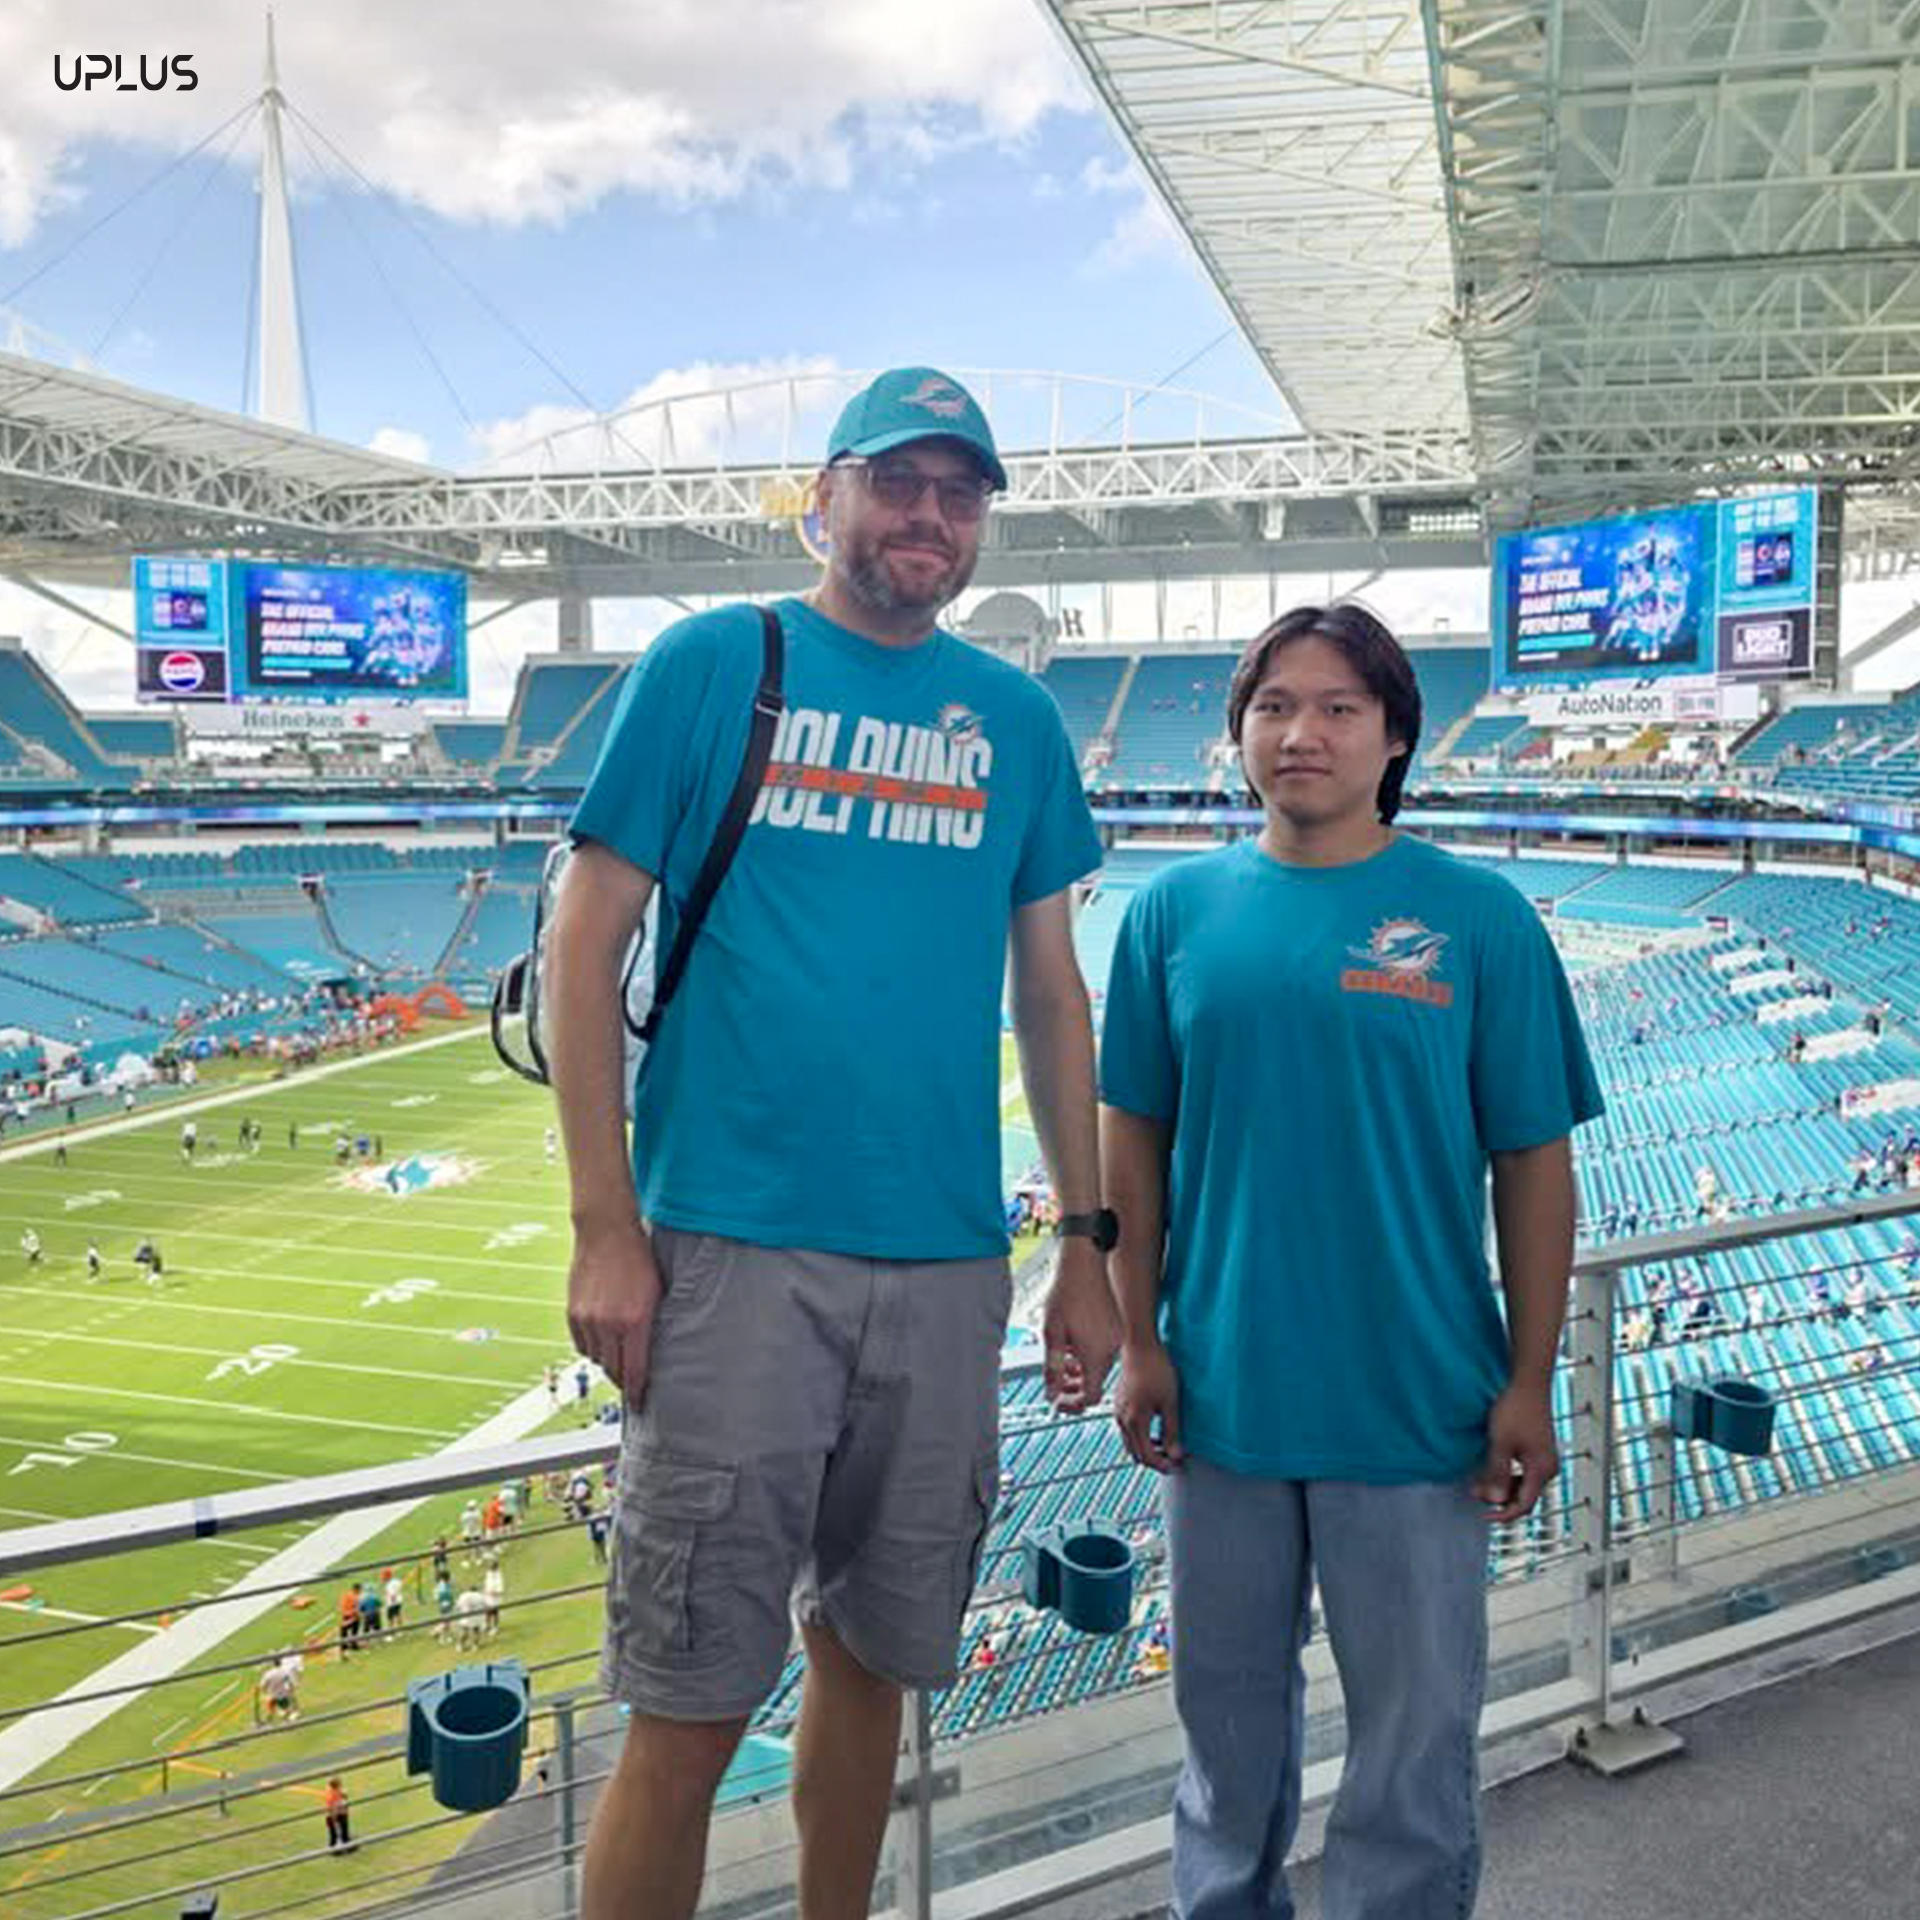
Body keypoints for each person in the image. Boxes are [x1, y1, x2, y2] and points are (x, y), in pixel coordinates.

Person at [547, 367, 1119, 1920]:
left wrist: (1086, 1244)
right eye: (899, 482)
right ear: (827, 496)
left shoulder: (1015, 720)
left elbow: (1051, 993)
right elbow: (584, 939)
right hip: (732, 1251)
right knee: (687, 1707)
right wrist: (606, 1226)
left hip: (944, 1264)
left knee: (874, 1670)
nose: (931, 516)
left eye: (960, 492)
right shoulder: (716, 664)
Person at [1100, 604, 1602, 1920]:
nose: (1301, 733)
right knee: (1224, 1744)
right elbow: (1131, 1142)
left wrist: (1530, 1380)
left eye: (1338, 707)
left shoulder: (1481, 919)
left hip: (1419, 1404)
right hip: (1223, 1401)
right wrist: (1139, 1338)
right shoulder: (1169, 914)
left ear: (1394, 737)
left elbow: (1533, 1165)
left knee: (1413, 1752)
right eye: (1274, 706)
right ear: (1239, 734)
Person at [324, 1778, 354, 1853]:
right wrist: (334, 1818)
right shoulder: (333, 1794)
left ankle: (341, 1846)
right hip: (337, 1815)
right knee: (338, 1833)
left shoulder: (334, 1791)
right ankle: (339, 1848)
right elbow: (334, 1807)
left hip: (337, 1814)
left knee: (339, 1833)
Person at [383, 1567, 405, 1638]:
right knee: (398, 1615)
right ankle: (400, 1631)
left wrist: (391, 1602)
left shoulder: (389, 1585)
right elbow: (400, 1584)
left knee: (390, 1618)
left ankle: (390, 1633)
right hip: (399, 1601)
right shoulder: (396, 1581)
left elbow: (392, 1595)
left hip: (392, 1603)